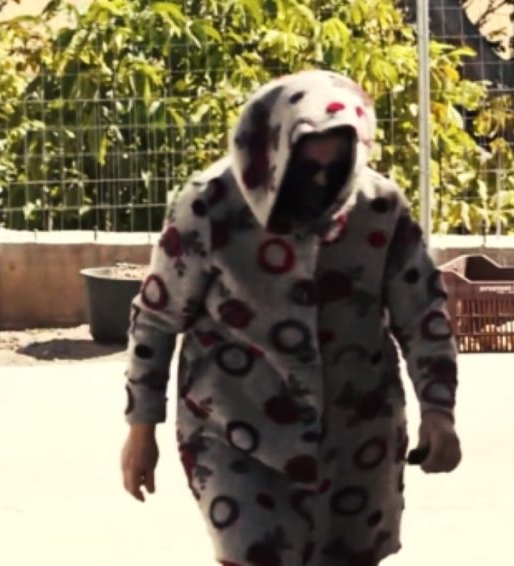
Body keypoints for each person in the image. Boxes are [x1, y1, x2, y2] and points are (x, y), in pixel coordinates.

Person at [120, 69, 461, 566]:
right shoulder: (209, 206)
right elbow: (156, 318)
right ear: (274, 151)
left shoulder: (381, 209)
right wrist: (141, 428)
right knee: (254, 555)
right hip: (236, 427)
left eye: (334, 169)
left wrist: (438, 411)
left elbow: (422, 314)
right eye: (307, 170)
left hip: (356, 432)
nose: (320, 183)